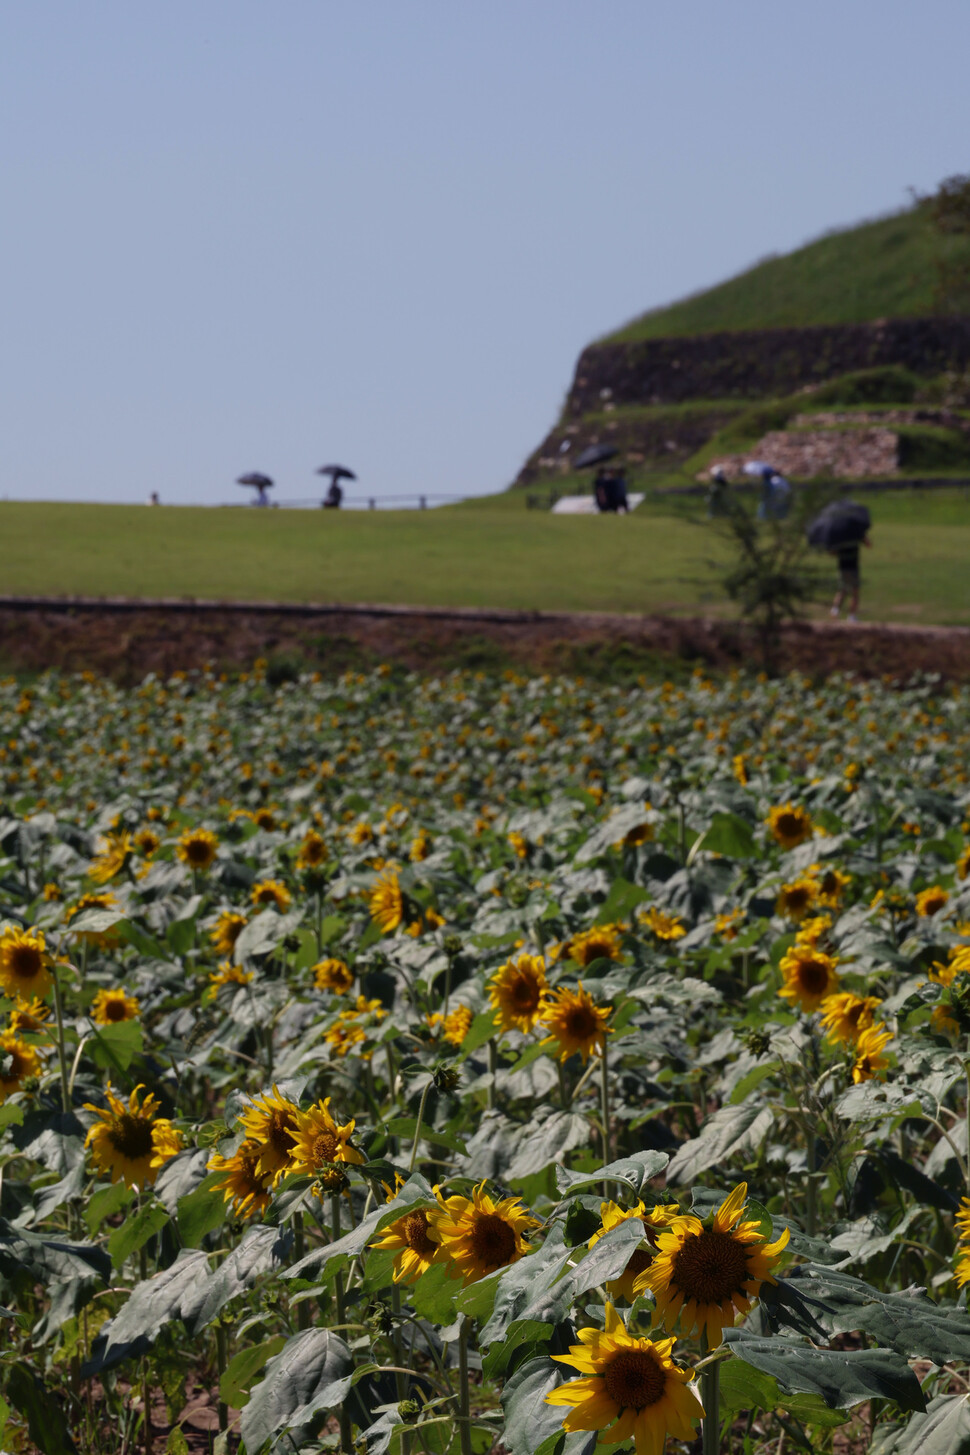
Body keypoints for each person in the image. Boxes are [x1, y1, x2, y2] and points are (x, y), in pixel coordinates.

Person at [830, 533, 872, 622]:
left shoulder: (840, 535)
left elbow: (832, 552)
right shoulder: (856, 533)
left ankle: (835, 610)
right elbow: (869, 544)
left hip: (842, 566)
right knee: (855, 592)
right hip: (853, 567)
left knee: (842, 590)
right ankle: (851, 616)